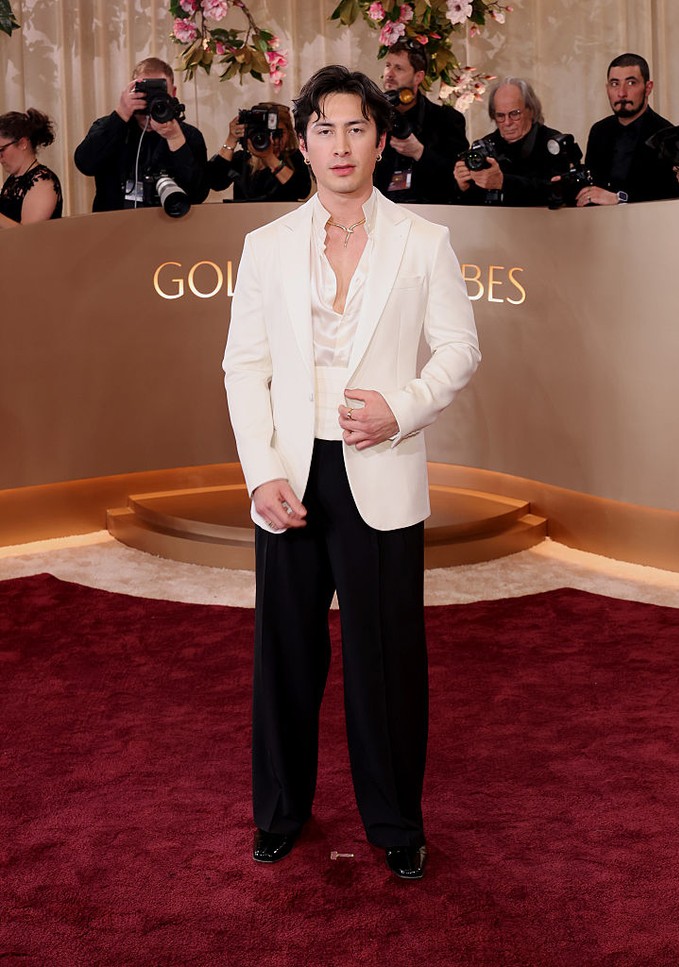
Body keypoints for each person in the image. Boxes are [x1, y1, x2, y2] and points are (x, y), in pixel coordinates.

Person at [223, 65, 480, 880]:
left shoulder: (424, 240)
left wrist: (400, 408)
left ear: (378, 140)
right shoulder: (263, 247)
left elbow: (461, 350)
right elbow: (244, 366)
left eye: (356, 128)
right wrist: (261, 472)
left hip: (382, 463)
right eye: (325, 129)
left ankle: (396, 819)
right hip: (291, 476)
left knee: (387, 659)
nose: (341, 144)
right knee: (287, 654)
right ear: (304, 144)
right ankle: (278, 812)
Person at [74, 56, 208, 212]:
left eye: (159, 90)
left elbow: (198, 194)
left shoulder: (188, 135)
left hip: (169, 229)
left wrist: (175, 139)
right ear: (131, 91)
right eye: (145, 91)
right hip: (114, 227)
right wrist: (121, 114)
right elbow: (85, 164)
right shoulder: (111, 127)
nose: (151, 98)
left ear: (173, 92)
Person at [577, 52, 679, 206]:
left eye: (631, 83)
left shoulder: (666, 134)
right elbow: (592, 184)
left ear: (648, 88)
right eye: (615, 84)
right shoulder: (599, 131)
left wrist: (619, 198)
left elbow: (672, 194)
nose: (621, 93)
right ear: (607, 88)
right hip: (600, 224)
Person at [374, 40, 468, 204]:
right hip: (382, 213)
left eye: (399, 68)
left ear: (418, 76)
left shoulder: (447, 120)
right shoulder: (373, 119)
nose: (389, 73)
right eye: (388, 65)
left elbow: (460, 179)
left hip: (434, 214)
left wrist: (420, 153)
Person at [453, 77, 563, 206]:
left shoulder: (553, 143)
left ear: (531, 111)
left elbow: (556, 192)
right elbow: (471, 204)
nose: (507, 122)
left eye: (515, 114)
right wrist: (463, 186)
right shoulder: (485, 145)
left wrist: (503, 182)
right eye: (500, 116)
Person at [207, 102, 311, 202]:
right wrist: (231, 140)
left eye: (277, 134)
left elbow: (301, 191)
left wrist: (269, 158)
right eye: (266, 133)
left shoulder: (294, 157)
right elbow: (215, 182)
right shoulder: (242, 159)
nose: (272, 140)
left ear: (288, 133)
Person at [0, 109, 62, 228]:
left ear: (23, 143)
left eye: (2, 150)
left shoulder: (43, 183)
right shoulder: (14, 179)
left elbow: (27, 237)